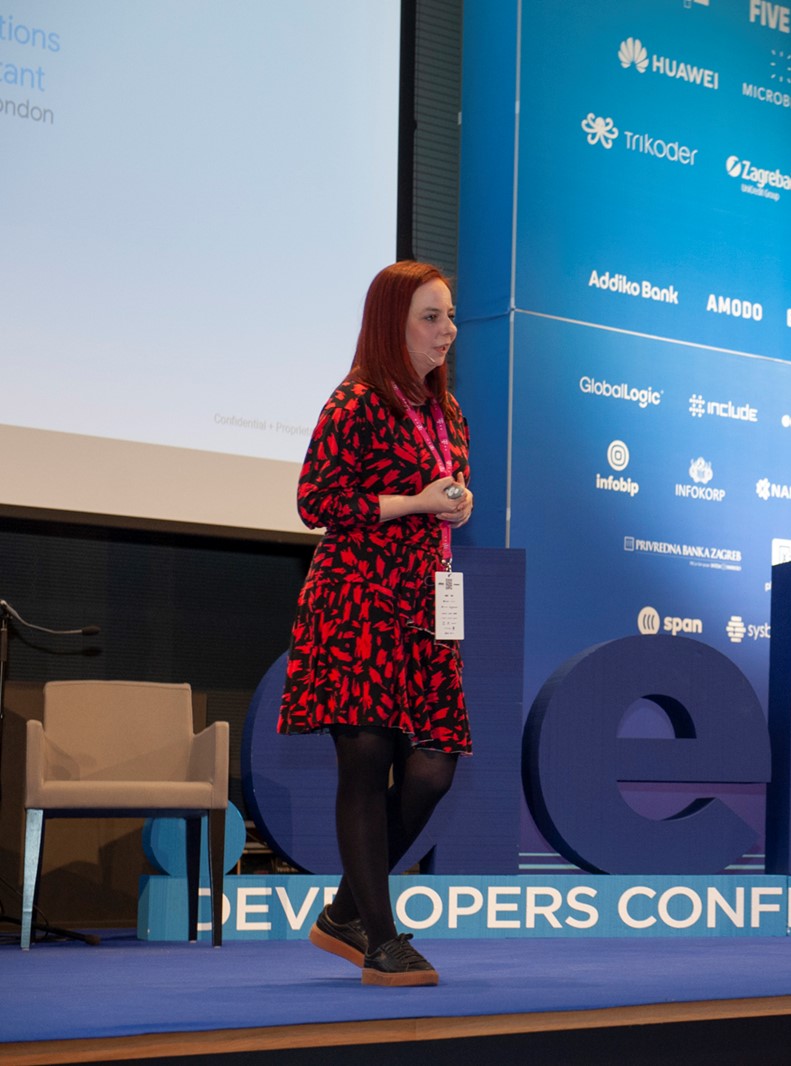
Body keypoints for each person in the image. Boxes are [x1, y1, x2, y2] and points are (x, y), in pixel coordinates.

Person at [277, 261, 472, 987]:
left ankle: (342, 913)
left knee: (433, 768)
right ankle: (380, 941)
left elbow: (440, 489)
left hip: (426, 607)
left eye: (449, 316)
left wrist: (455, 504)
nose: (447, 330)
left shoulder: (447, 412)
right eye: (431, 317)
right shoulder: (355, 401)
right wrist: (417, 502)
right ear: (394, 323)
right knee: (364, 767)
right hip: (357, 601)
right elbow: (316, 501)